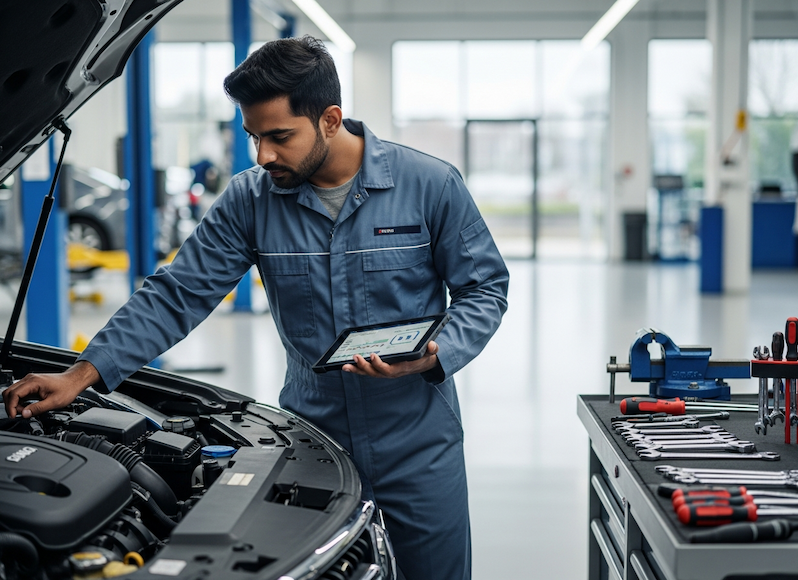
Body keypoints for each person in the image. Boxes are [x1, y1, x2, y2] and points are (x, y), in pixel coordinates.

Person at [3, 36, 508, 580]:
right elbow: (179, 293)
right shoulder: (251, 198)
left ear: (331, 119)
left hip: (418, 442)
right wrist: (83, 375)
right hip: (317, 443)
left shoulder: (430, 185)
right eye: (253, 137)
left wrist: (435, 353)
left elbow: (486, 289)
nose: (263, 155)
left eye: (279, 136)